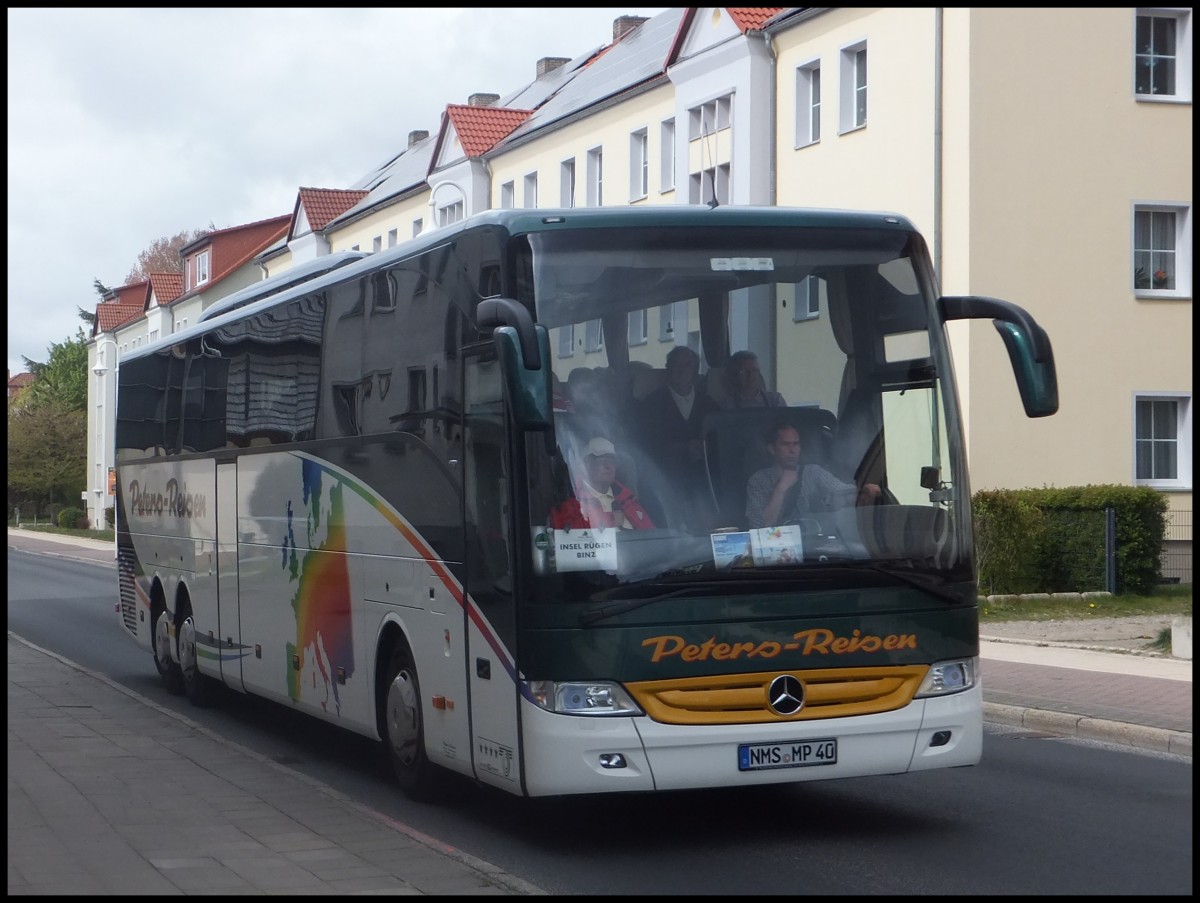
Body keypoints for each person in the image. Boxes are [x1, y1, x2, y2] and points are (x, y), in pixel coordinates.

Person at [637, 346, 719, 529]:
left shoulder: (710, 405)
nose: (682, 370)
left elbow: (721, 444)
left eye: (687, 366)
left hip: (706, 483)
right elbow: (644, 447)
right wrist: (682, 448)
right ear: (668, 368)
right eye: (676, 365)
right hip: (666, 482)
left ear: (695, 371)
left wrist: (704, 449)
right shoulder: (650, 405)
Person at [745, 422, 882, 528]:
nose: (792, 450)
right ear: (772, 449)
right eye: (785, 444)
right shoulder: (758, 480)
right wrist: (780, 489)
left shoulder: (813, 472)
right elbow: (760, 527)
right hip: (779, 550)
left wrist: (865, 491)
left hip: (815, 546)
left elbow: (843, 492)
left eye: (796, 444)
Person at [549, 437, 656, 531]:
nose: (608, 466)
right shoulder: (572, 501)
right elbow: (566, 535)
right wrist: (610, 519)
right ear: (586, 466)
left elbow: (653, 538)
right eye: (601, 461)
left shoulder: (629, 501)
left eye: (612, 461)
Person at [720, 350, 787, 409]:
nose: (750, 375)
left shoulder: (775, 400)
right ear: (734, 375)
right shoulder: (726, 406)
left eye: (754, 370)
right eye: (744, 371)